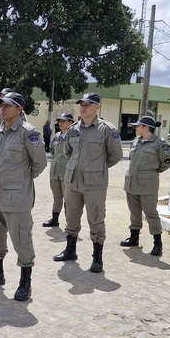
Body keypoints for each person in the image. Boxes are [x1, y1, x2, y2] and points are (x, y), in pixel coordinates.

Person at [0, 92, 47, 302]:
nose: (3, 108)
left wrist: (21, 180)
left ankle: (25, 283)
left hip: (17, 198)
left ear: (19, 109)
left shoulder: (28, 132)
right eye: (2, 105)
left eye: (8, 105)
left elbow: (40, 164)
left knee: (21, 239)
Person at [53, 92, 122, 273]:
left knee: (96, 220)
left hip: (95, 184)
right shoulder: (73, 129)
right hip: (73, 181)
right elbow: (68, 152)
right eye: (81, 104)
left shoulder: (107, 130)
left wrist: (97, 168)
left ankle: (97, 258)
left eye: (87, 104)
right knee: (71, 217)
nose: (83, 107)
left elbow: (116, 156)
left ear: (97, 107)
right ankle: (70, 250)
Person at [121, 116, 170, 256]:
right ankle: (134, 237)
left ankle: (157, 244)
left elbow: (166, 163)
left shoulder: (159, 144)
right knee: (134, 212)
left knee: (151, 214)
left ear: (145, 127)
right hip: (131, 183)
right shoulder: (135, 142)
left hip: (148, 185)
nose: (135, 128)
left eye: (138, 126)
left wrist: (152, 173)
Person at [42, 112, 74, 228]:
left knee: (69, 199)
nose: (60, 123)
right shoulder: (56, 136)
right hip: (55, 172)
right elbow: (52, 151)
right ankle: (55, 219)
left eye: (64, 121)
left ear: (71, 122)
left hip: (67, 173)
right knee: (57, 197)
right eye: (59, 121)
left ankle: (70, 223)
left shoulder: (74, 137)